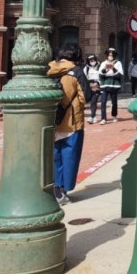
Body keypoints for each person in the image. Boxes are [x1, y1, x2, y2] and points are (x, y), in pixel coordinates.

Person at [47, 43, 86, 205]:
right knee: (70, 156)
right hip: (71, 122)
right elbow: (86, 96)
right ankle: (64, 190)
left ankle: (55, 189)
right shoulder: (76, 71)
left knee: (55, 156)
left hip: (51, 121)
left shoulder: (48, 69)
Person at [98, 47, 123, 124]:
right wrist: (105, 69)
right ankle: (103, 118)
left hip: (114, 85)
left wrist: (113, 68)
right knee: (103, 102)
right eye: (109, 55)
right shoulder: (103, 63)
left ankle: (114, 115)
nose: (110, 56)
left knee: (114, 102)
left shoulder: (118, 63)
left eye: (112, 55)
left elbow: (120, 75)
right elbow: (100, 75)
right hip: (104, 86)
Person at [83, 53, 101, 123]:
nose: (92, 62)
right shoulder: (86, 68)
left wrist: (98, 83)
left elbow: (102, 77)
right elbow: (84, 78)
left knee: (93, 102)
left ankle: (92, 116)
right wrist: (88, 85)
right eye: (91, 61)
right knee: (89, 102)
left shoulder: (100, 67)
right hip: (89, 87)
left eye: (93, 60)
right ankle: (93, 116)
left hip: (97, 87)